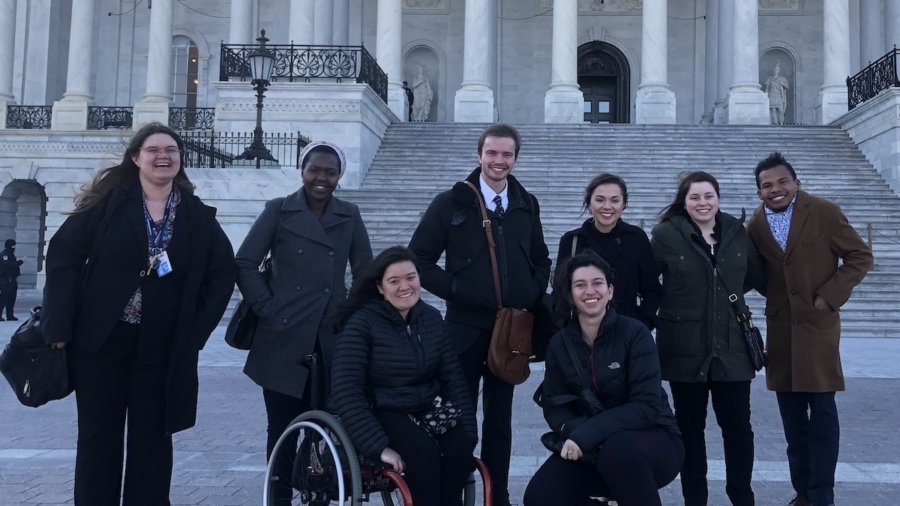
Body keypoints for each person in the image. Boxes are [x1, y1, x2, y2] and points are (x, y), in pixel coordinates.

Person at [41, 122, 237, 505]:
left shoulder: (196, 216)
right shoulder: (109, 203)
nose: (163, 156)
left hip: (160, 347)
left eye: (171, 150)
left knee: (153, 440)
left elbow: (223, 273)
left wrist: (193, 333)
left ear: (181, 160)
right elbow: (63, 255)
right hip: (100, 340)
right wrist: (58, 324)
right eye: (153, 150)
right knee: (98, 438)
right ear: (136, 158)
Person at [408, 123, 551, 506]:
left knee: (500, 422)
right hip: (464, 329)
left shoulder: (526, 203)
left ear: (515, 159)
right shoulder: (451, 203)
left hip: (511, 333)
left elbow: (541, 257)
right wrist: (457, 291)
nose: (498, 161)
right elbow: (419, 260)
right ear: (479, 156)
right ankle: (452, 494)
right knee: (460, 419)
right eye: (492, 153)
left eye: (506, 154)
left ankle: (496, 496)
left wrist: (533, 291)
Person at [235, 140, 373, 504]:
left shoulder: (349, 215)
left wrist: (350, 315)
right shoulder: (279, 211)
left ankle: (321, 493)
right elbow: (245, 262)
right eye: (315, 169)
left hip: (329, 337)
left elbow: (364, 272)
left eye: (330, 171)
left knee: (327, 427)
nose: (321, 178)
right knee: (281, 428)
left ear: (339, 175)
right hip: (281, 336)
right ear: (302, 170)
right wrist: (266, 306)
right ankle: (277, 497)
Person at [747, 153, 873, 506]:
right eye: (767, 185)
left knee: (821, 418)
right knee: (792, 426)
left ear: (796, 183)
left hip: (818, 329)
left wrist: (829, 296)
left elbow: (860, 256)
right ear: (759, 192)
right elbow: (756, 271)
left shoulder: (824, 212)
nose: (775, 190)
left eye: (782, 182)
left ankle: (822, 496)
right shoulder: (756, 224)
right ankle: (802, 492)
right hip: (781, 333)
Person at [523, 251, 683, 506]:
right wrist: (576, 433)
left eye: (597, 283)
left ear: (610, 291)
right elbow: (555, 408)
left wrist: (586, 435)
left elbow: (646, 407)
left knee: (618, 449)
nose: (590, 291)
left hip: (653, 442)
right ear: (570, 295)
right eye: (580, 285)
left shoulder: (635, 334)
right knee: (540, 497)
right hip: (591, 448)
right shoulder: (560, 344)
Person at [651, 171, 765, 506]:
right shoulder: (665, 235)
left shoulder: (736, 233)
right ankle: (694, 499)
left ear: (718, 198)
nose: (703, 203)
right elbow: (649, 281)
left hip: (732, 348)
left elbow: (755, 277)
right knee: (689, 429)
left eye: (708, 196)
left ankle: (742, 497)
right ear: (683, 202)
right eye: (695, 197)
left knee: (738, 429)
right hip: (684, 347)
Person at [330, 246, 477, 506]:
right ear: (380, 287)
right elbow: (346, 391)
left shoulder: (430, 318)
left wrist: (467, 428)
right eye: (394, 281)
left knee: (460, 450)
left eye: (411, 277)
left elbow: (453, 377)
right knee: (424, 453)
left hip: (426, 406)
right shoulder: (361, 323)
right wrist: (379, 448)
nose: (405, 286)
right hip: (383, 408)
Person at [556, 173, 661, 331]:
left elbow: (652, 289)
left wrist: (643, 324)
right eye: (599, 199)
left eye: (615, 200)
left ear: (624, 204)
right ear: (589, 203)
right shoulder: (572, 241)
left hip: (626, 332)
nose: (607, 206)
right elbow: (561, 291)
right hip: (582, 333)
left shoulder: (636, 239)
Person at [0, 238, 26, 320]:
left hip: (12, 279)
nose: (15, 247)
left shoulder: (10, 255)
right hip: (6, 280)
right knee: (4, 298)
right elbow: (8, 265)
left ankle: (10, 315)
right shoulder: (4, 255)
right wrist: (21, 261)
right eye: (14, 245)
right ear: (10, 246)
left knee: (11, 298)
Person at [765, 61, 789, 125]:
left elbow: (787, 87)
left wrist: (782, 83)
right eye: (775, 70)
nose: (776, 71)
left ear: (779, 71)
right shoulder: (769, 79)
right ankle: (775, 122)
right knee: (773, 109)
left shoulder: (782, 79)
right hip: (772, 95)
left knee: (781, 110)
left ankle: (781, 122)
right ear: (773, 71)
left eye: (777, 70)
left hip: (780, 96)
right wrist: (765, 96)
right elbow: (767, 88)